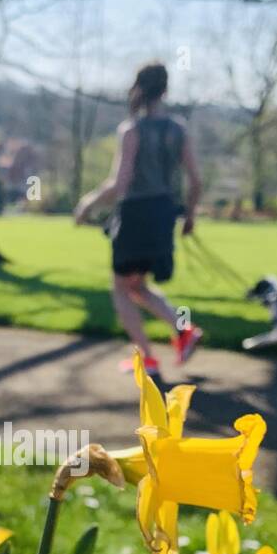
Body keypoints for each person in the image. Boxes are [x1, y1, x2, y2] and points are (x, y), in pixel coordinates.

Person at [75, 62, 202, 373]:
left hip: (135, 214)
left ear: (138, 88)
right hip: (164, 215)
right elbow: (196, 181)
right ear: (166, 90)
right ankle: (182, 329)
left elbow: (119, 183)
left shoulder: (132, 130)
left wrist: (87, 204)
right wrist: (189, 216)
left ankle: (147, 357)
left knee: (121, 287)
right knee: (137, 285)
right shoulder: (178, 130)